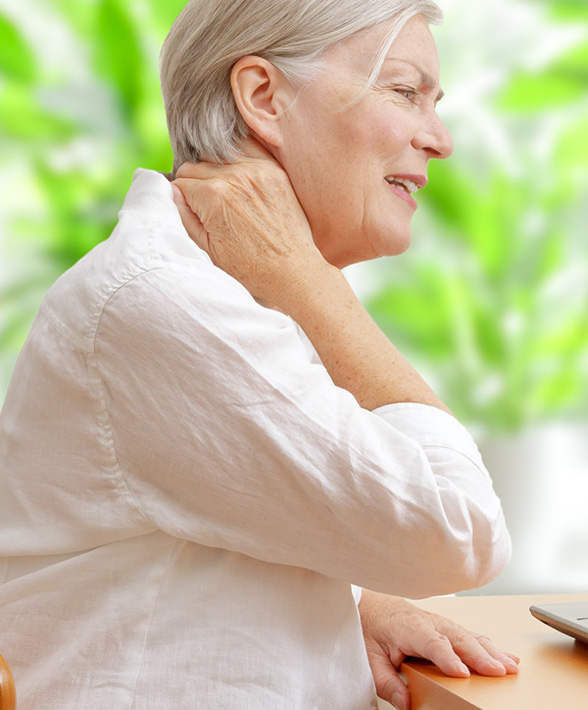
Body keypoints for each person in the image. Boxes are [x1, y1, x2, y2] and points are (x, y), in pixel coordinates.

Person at [0, 1, 519, 707]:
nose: (439, 138)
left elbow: (228, 502)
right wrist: (311, 282)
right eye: (404, 92)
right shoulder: (168, 301)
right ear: (264, 98)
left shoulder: (215, 286)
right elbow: (457, 533)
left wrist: (356, 603)